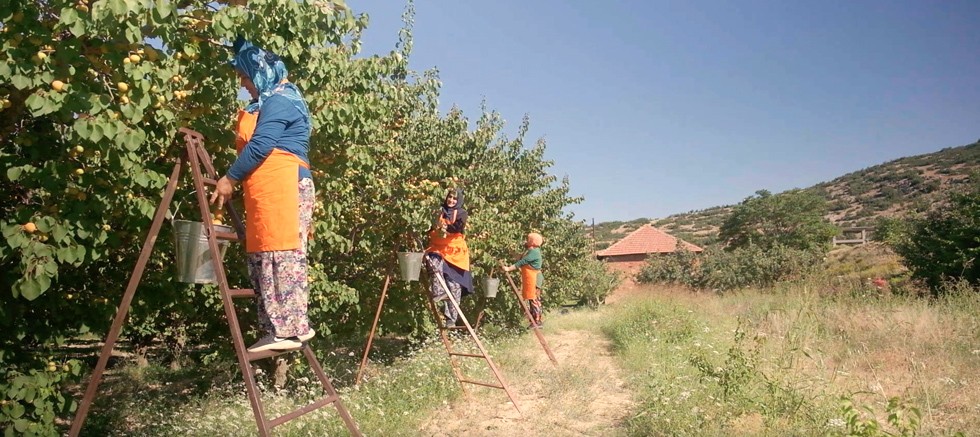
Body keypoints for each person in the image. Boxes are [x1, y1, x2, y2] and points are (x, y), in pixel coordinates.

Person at [210, 37, 316, 353]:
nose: (243, 85)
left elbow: (261, 144)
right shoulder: (268, 100)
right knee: (266, 256)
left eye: (245, 77)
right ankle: (276, 329)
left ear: (259, 72)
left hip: (284, 186)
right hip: (267, 190)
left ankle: (293, 328)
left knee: (282, 255)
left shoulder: (282, 100)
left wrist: (229, 179)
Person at [423, 188, 473, 326]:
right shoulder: (438, 211)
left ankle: (451, 317)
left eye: (454, 199)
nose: (451, 200)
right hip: (438, 247)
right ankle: (438, 292)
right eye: (449, 197)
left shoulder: (462, 213)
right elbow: (427, 226)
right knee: (434, 263)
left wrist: (443, 228)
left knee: (454, 284)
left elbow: (457, 227)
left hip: (455, 251)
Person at [502, 233, 544, 328]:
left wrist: (508, 268)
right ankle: (534, 320)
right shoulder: (530, 251)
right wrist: (510, 251)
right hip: (530, 278)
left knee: (534, 299)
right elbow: (521, 257)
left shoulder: (534, 252)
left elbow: (522, 262)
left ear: (532, 242)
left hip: (534, 278)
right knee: (531, 298)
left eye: (528, 239)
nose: (526, 241)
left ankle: (537, 321)